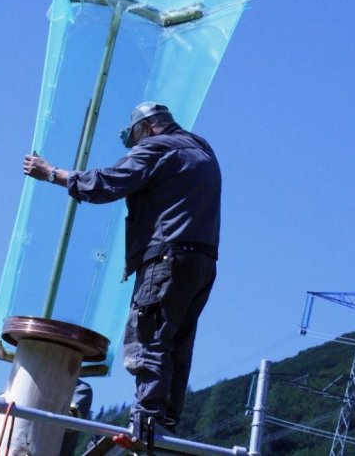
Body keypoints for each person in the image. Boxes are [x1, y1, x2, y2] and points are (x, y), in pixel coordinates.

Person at [23, 102, 221, 446]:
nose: (135, 147)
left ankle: (146, 425)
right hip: (202, 262)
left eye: (135, 140)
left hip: (167, 257)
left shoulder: (156, 147)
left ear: (146, 128)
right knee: (177, 344)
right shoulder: (203, 150)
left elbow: (107, 183)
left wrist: (52, 173)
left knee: (151, 339)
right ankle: (164, 427)